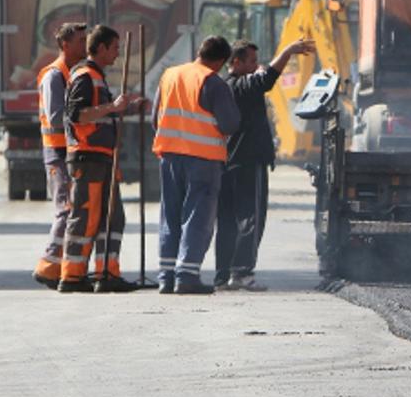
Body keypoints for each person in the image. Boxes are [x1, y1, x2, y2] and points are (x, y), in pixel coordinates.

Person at [214, 37, 314, 290]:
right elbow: (266, 79)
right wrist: (289, 50)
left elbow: (260, 78)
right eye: (252, 61)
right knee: (250, 218)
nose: (256, 66)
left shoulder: (224, 85)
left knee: (227, 220)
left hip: (227, 161)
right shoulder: (239, 85)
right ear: (235, 63)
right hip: (248, 160)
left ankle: (222, 274)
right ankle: (242, 272)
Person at [152, 36, 241, 295]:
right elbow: (229, 124)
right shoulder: (213, 82)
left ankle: (166, 276)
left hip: (169, 156)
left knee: (170, 215)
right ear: (221, 61)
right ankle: (187, 275)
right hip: (202, 159)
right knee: (197, 217)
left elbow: (155, 118)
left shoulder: (170, 75)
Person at [59, 24, 143, 293]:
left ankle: (106, 273)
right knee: (86, 218)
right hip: (87, 158)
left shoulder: (96, 76)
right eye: (115, 48)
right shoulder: (85, 76)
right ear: (103, 47)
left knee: (112, 217)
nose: (118, 54)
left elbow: (100, 114)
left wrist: (125, 108)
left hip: (102, 159)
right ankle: (72, 276)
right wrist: (113, 106)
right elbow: (77, 114)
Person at [32, 22, 87, 289]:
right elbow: (55, 117)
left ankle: (61, 267)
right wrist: (84, 119)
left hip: (68, 149)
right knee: (65, 209)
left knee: (72, 209)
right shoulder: (55, 75)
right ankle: (47, 266)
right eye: (80, 41)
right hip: (57, 150)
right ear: (65, 45)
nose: (85, 46)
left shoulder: (73, 72)